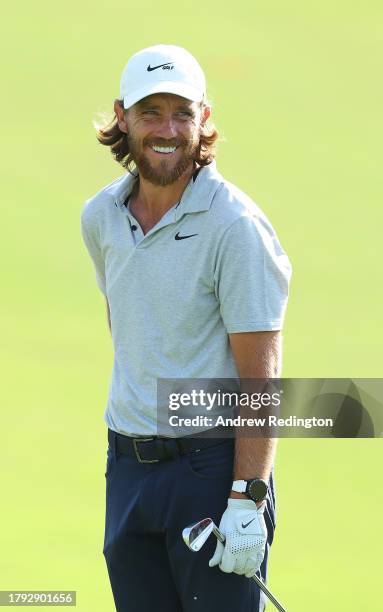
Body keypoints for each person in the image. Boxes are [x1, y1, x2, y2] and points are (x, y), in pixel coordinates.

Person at [80, 44, 292, 612]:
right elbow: (126, 325)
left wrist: (248, 499)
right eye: (151, 113)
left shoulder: (235, 227)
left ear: (205, 120)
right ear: (123, 117)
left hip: (211, 471)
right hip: (127, 467)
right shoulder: (100, 218)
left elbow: (261, 380)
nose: (167, 129)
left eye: (183, 113)